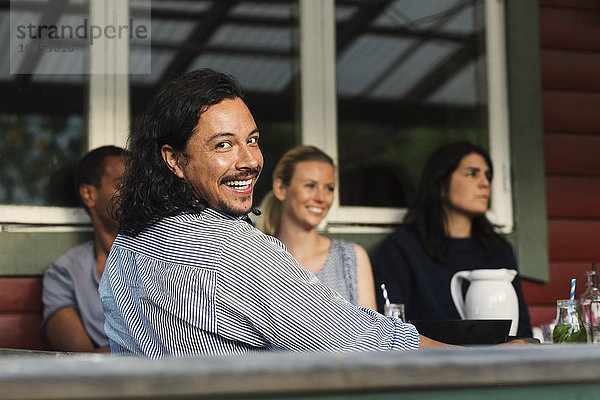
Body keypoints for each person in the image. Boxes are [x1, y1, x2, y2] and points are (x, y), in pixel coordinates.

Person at [99, 68, 453, 359]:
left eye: (251, 139)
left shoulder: (126, 246)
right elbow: (372, 345)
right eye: (223, 144)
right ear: (174, 159)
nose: (250, 160)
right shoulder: (238, 254)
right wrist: (488, 356)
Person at [373, 141, 533, 338]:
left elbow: (522, 327)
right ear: (441, 184)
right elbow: (392, 327)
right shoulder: (402, 248)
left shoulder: (498, 249)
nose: (485, 183)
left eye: (488, 175)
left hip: (497, 361)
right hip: (428, 362)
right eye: (472, 173)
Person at [258, 145, 376, 309]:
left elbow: (372, 332)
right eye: (310, 185)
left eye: (329, 188)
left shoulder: (352, 257)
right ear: (280, 189)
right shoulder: (259, 258)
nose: (321, 198)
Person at [42, 145, 128, 352]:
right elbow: (81, 363)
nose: (134, 192)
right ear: (88, 194)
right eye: (121, 184)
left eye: (138, 184)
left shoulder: (163, 255)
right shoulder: (64, 272)